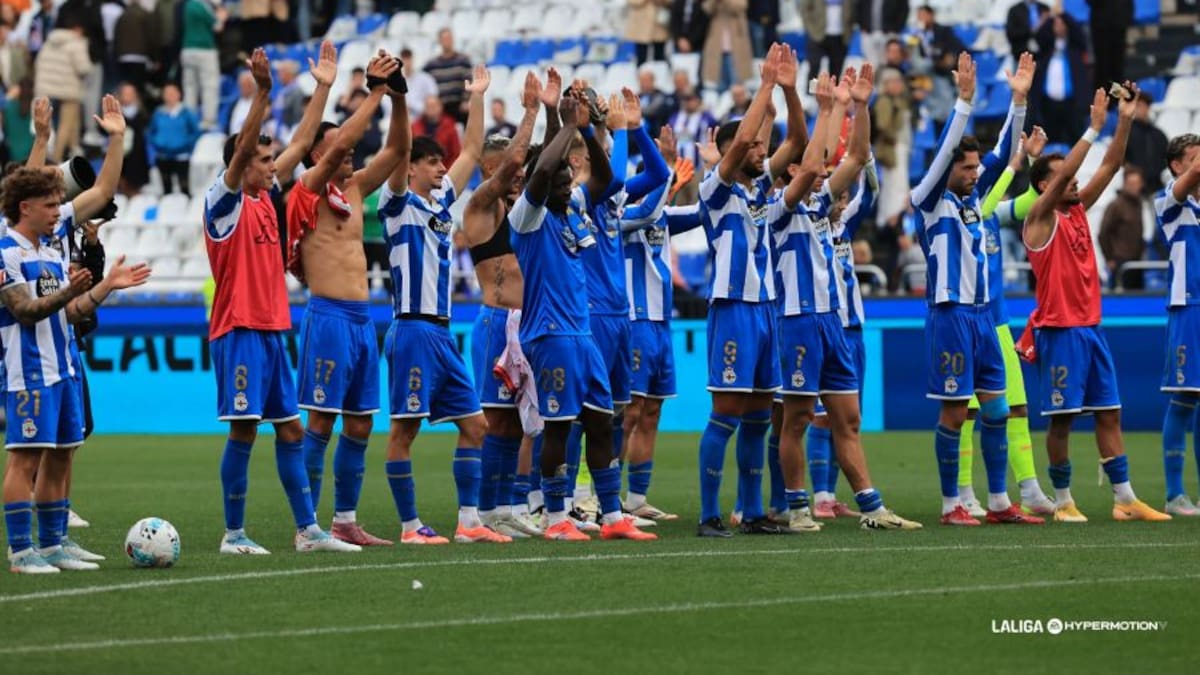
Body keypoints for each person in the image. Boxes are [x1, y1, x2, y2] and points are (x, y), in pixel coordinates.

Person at [204, 48, 358, 556]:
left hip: (272, 328)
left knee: (291, 431)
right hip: (239, 328)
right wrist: (265, 92)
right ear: (241, 163)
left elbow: (297, 141)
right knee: (246, 431)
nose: (274, 167)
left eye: (273, 162)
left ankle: (308, 531)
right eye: (264, 161)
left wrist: (323, 89)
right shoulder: (223, 202)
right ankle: (233, 534)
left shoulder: (267, 194)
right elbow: (253, 141)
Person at [770, 66, 922, 533]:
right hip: (796, 321)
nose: (818, 172)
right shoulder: (779, 209)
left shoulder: (819, 207)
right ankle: (796, 507)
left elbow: (856, 157)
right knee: (795, 420)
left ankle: (871, 506)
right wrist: (827, 108)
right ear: (790, 171)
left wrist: (859, 106)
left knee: (848, 418)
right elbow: (817, 163)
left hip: (831, 322)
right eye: (806, 166)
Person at [508, 93, 654, 542]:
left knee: (599, 421)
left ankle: (612, 517)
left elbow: (606, 178)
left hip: (583, 332)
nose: (570, 181)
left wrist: (587, 129)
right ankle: (555, 518)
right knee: (558, 426)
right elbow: (544, 170)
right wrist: (565, 124)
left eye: (572, 176)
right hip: (550, 334)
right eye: (562, 175)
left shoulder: (573, 207)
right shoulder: (527, 216)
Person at [1022, 83, 1169, 523]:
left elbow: (1111, 163)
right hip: (1060, 330)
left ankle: (1125, 499)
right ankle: (1063, 500)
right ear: (1046, 184)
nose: (1076, 182)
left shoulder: (1078, 211)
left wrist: (1122, 122)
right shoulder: (1039, 218)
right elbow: (1071, 172)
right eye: (1064, 177)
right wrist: (1092, 128)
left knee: (1110, 412)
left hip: (1090, 327)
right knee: (1062, 419)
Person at [912, 52, 1044, 526]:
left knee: (995, 411)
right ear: (948, 168)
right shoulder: (929, 202)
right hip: (950, 317)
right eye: (966, 169)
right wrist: (963, 103)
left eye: (974, 169)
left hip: (983, 317)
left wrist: (1019, 102)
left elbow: (1007, 149)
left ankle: (998, 502)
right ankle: (951, 505)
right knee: (954, 415)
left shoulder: (972, 205)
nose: (974, 174)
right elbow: (950, 150)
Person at [0, 166, 151, 574]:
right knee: (25, 459)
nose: (56, 212)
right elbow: (24, 311)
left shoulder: (49, 252)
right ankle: (20, 551)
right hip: (27, 370)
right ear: (25, 207)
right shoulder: (5, 252)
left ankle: (52, 545)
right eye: (49, 205)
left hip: (63, 366)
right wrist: (70, 289)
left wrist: (106, 287)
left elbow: (71, 314)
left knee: (63, 455)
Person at [378, 65, 503, 545]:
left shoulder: (440, 205)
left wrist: (477, 97)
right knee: (404, 432)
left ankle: (469, 523)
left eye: (438, 164)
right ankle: (411, 527)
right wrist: (399, 99)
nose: (438, 169)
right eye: (430, 163)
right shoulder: (398, 204)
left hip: (443, 333)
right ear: (412, 168)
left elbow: (472, 150)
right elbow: (399, 149)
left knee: (476, 426)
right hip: (411, 330)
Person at [289, 50, 409, 547]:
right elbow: (344, 144)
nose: (349, 152)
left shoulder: (356, 189)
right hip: (328, 315)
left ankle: (344, 520)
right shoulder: (308, 190)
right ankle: (308, 527)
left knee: (360, 424)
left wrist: (397, 94)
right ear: (317, 154)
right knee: (321, 419)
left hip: (363, 319)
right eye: (336, 145)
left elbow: (399, 148)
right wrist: (374, 91)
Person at [694, 44, 801, 537]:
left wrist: (789, 91)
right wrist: (763, 87)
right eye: (755, 145)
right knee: (727, 413)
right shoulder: (714, 191)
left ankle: (753, 511)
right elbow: (736, 145)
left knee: (761, 417)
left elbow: (798, 140)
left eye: (763, 145)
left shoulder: (759, 191)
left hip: (765, 311)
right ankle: (709, 514)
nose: (761, 150)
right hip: (733, 307)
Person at [461, 70, 551, 539]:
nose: (517, 178)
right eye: (510, 173)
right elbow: (520, 155)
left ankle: (503, 507)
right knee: (495, 422)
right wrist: (532, 109)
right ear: (489, 171)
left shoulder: (522, 211)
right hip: (497, 323)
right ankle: (482, 510)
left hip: (526, 323)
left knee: (518, 426)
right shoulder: (479, 206)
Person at [954, 126, 1057, 518]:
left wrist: (1031, 161)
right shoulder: (966, 213)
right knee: (964, 412)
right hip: (965, 324)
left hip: (998, 324)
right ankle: (963, 491)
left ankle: (1028, 487)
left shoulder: (994, 214)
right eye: (975, 169)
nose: (979, 174)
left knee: (1015, 406)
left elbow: (1035, 200)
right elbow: (992, 198)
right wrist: (1013, 163)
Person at [621, 128, 692, 521]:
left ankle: (636, 498)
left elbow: (701, 214)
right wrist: (667, 177)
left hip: (661, 324)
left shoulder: (663, 217)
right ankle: (605, 497)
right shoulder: (622, 215)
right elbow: (649, 209)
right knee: (629, 412)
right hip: (634, 321)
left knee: (651, 412)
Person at [1155, 132, 1200, 516]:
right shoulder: (1171, 202)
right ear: (1177, 165)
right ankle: (1174, 493)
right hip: (1188, 309)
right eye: (1195, 156)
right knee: (1185, 398)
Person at [32, 16, 91, 162]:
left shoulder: (48, 42)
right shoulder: (77, 43)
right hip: (68, 89)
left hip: (46, 88)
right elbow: (83, 68)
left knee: (47, 125)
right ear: (77, 29)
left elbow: (37, 63)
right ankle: (57, 159)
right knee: (66, 124)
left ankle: (73, 148)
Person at [1030, 12, 1088, 145]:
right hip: (1048, 104)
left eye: (1062, 24)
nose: (1059, 27)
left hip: (1072, 103)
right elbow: (1039, 36)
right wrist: (1050, 17)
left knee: (1075, 141)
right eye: (1056, 24)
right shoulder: (1046, 48)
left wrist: (1062, 14)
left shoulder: (1075, 47)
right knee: (1050, 141)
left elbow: (1078, 32)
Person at [1099, 166, 1148, 289]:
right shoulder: (1115, 205)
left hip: (1137, 261)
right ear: (1125, 183)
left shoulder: (1140, 204)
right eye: (1131, 183)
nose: (1134, 187)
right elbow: (1103, 233)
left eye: (1137, 183)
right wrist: (1109, 258)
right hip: (1120, 262)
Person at [147, 83, 201, 196]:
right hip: (163, 155)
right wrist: (157, 143)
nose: (169, 96)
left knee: (184, 185)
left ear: (178, 95)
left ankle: (186, 208)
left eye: (172, 93)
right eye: (167, 93)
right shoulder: (159, 112)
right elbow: (151, 131)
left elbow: (195, 131)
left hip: (181, 155)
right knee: (166, 187)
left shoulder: (186, 112)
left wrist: (186, 144)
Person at [179, 0, 225, 129]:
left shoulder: (188, 5)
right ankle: (209, 121)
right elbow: (217, 26)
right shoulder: (202, 5)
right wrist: (221, 16)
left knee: (190, 88)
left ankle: (189, 120)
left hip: (187, 49)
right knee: (209, 86)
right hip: (205, 49)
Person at [700, 0, 752, 92]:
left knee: (736, 83)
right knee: (719, 85)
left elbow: (741, 6)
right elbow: (706, 8)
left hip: (736, 45)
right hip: (717, 46)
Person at [423, 28, 472, 125]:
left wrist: (466, 100)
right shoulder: (431, 65)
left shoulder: (463, 60)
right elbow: (425, 83)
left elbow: (469, 81)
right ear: (439, 41)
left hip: (459, 105)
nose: (447, 41)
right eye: (444, 39)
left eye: (449, 38)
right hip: (441, 106)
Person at [1126, 90, 1169, 195]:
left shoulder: (1158, 134)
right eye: (1136, 106)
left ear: (1148, 107)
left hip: (1157, 186)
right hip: (1134, 188)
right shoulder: (1126, 132)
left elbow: (1167, 157)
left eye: (1141, 105)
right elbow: (1121, 160)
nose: (1138, 109)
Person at [799, 0, 855, 78]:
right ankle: (811, 90)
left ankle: (832, 90)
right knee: (814, 70)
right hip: (817, 35)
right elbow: (804, 8)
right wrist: (810, 28)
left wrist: (850, 30)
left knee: (835, 73)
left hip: (840, 37)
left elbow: (855, 9)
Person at [412, 96, 461, 167]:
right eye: (428, 106)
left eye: (433, 106)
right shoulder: (414, 126)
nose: (431, 109)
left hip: (445, 168)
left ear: (440, 107)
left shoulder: (450, 126)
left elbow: (455, 153)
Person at [857, 0, 909, 66]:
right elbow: (859, 9)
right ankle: (874, 74)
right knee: (870, 61)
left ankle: (889, 73)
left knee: (888, 59)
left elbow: (904, 10)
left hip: (889, 33)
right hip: (868, 32)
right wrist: (862, 26)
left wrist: (896, 29)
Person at [626, 0, 671, 64]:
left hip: (659, 25)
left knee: (659, 57)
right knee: (641, 57)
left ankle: (660, 72)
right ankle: (641, 72)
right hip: (641, 26)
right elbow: (632, 2)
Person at [400, 48, 438, 119]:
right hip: (401, 119)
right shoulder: (396, 81)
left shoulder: (426, 78)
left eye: (408, 58)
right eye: (404, 59)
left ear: (412, 59)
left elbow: (434, 101)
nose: (407, 62)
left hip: (422, 120)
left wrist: (412, 106)